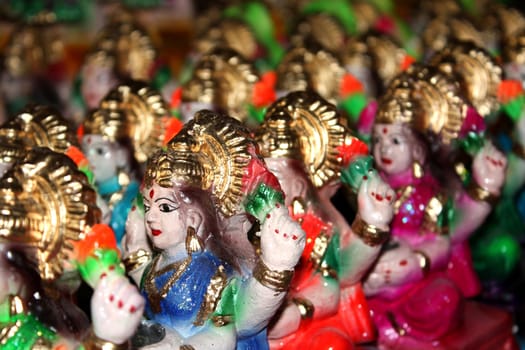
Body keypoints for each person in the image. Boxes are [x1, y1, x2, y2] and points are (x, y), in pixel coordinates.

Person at [122, 111, 306, 349]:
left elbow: (225, 334)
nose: (151, 217)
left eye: (165, 208)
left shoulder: (212, 276)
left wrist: (276, 267)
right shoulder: (158, 266)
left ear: (195, 218)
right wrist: (135, 244)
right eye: (148, 206)